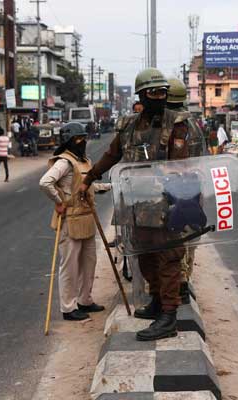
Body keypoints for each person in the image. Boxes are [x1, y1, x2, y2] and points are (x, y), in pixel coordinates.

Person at [78, 68, 194, 341]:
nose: (159, 97)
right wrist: (89, 178)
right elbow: (112, 154)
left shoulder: (176, 123)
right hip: (138, 205)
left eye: (163, 92)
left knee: (168, 260)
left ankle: (169, 316)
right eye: (154, 92)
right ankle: (156, 301)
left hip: (169, 206)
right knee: (145, 256)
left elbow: (180, 164)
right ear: (142, 94)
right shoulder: (128, 125)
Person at [39, 124, 110, 321]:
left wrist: (111, 186)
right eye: (78, 139)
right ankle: (68, 308)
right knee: (70, 266)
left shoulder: (85, 161)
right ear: (69, 141)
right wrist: (59, 202)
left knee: (89, 262)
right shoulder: (64, 162)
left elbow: (88, 186)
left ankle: (85, 300)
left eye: (83, 138)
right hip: (70, 219)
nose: (83, 142)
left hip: (87, 217)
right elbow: (45, 182)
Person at [166, 77, 204, 303]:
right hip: (194, 191)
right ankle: (184, 279)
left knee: (174, 240)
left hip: (174, 193)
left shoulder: (168, 126)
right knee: (190, 240)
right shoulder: (195, 126)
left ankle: (178, 284)